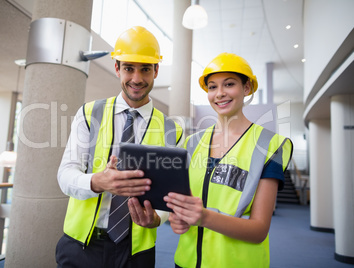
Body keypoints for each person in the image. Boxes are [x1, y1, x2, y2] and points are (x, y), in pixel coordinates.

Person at [55, 26, 183, 268]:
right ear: (117, 68)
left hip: (136, 253)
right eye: (128, 68)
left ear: (156, 70)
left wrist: (158, 218)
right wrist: (98, 182)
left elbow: (170, 195)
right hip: (81, 246)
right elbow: (65, 175)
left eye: (145, 69)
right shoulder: (89, 113)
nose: (136, 78)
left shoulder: (172, 131)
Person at [164, 52, 293, 267]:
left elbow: (259, 229)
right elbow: (183, 204)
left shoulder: (269, 145)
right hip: (185, 261)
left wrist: (203, 217)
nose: (220, 93)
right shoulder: (192, 144)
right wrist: (177, 219)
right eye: (212, 87)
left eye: (229, 84)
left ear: (247, 88)